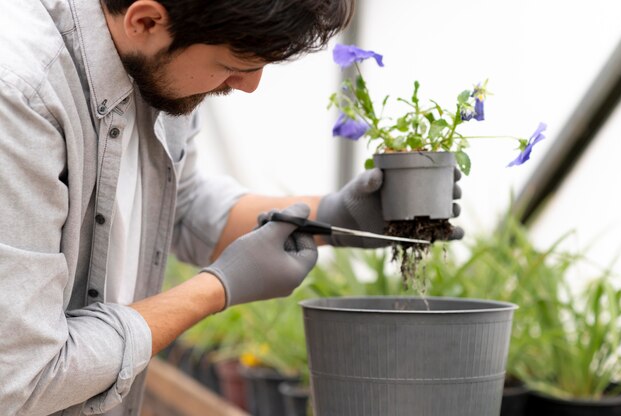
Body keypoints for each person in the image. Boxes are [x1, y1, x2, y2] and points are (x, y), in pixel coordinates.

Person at [0, 1, 461, 415]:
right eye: (232, 65)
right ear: (146, 20)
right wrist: (216, 288)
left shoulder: (159, 64)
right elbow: (24, 376)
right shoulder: (20, 93)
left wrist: (336, 216)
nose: (250, 85)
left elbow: (180, 204)